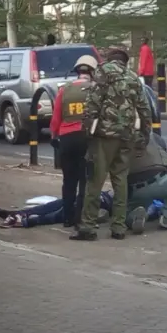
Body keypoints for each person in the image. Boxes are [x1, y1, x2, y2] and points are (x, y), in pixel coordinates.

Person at [70, 48, 152, 241]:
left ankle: (88, 227)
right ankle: (118, 227)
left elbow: (93, 103)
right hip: (127, 136)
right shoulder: (133, 77)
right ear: (125, 61)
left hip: (104, 137)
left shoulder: (102, 72)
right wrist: (144, 136)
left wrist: (86, 132)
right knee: (120, 180)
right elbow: (144, 108)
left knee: (95, 181)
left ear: (110, 59)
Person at [49, 55, 97, 228]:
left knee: (69, 180)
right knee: (85, 180)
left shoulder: (65, 89)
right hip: (87, 138)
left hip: (67, 139)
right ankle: (80, 218)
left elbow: (56, 118)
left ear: (77, 71)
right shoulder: (95, 90)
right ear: (92, 72)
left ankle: (67, 217)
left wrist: (54, 135)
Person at [126, 131, 167, 234]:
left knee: (126, 213)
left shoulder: (119, 139)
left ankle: (133, 217)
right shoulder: (153, 137)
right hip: (159, 181)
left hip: (135, 188)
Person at [0, 192, 114, 229]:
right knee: (62, 203)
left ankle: (30, 220)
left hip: (102, 204)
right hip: (98, 196)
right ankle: (20, 213)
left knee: (62, 213)